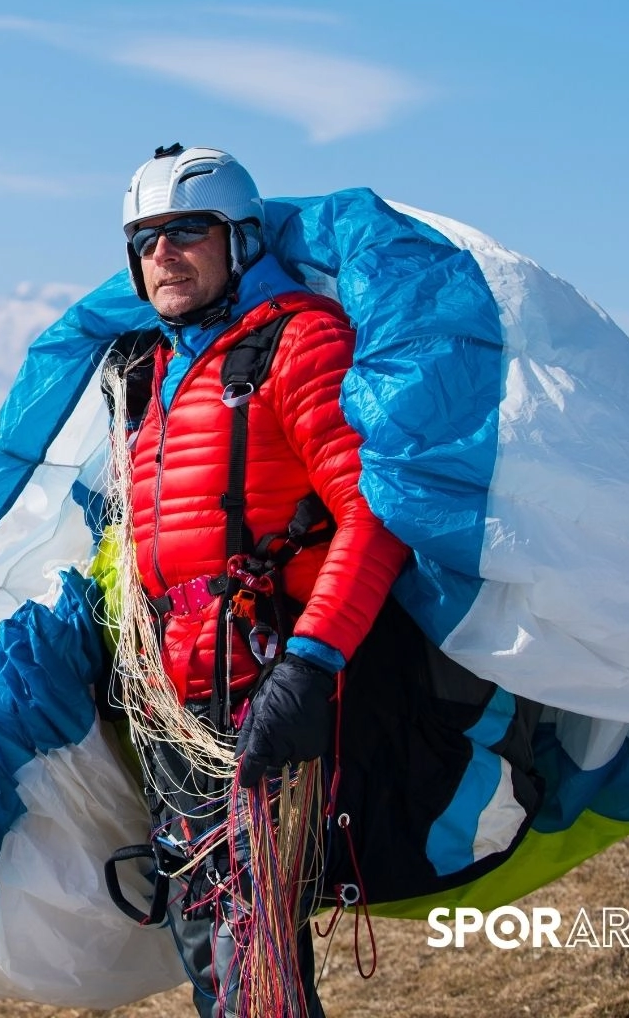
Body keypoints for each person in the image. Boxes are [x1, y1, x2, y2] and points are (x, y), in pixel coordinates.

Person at [115, 144, 409, 1018]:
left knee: (256, 963)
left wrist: (311, 666)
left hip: (265, 689)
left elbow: (376, 513)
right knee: (215, 949)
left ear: (240, 240)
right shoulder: (158, 372)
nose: (163, 253)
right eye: (144, 238)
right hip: (180, 710)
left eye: (186, 231)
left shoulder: (297, 343)